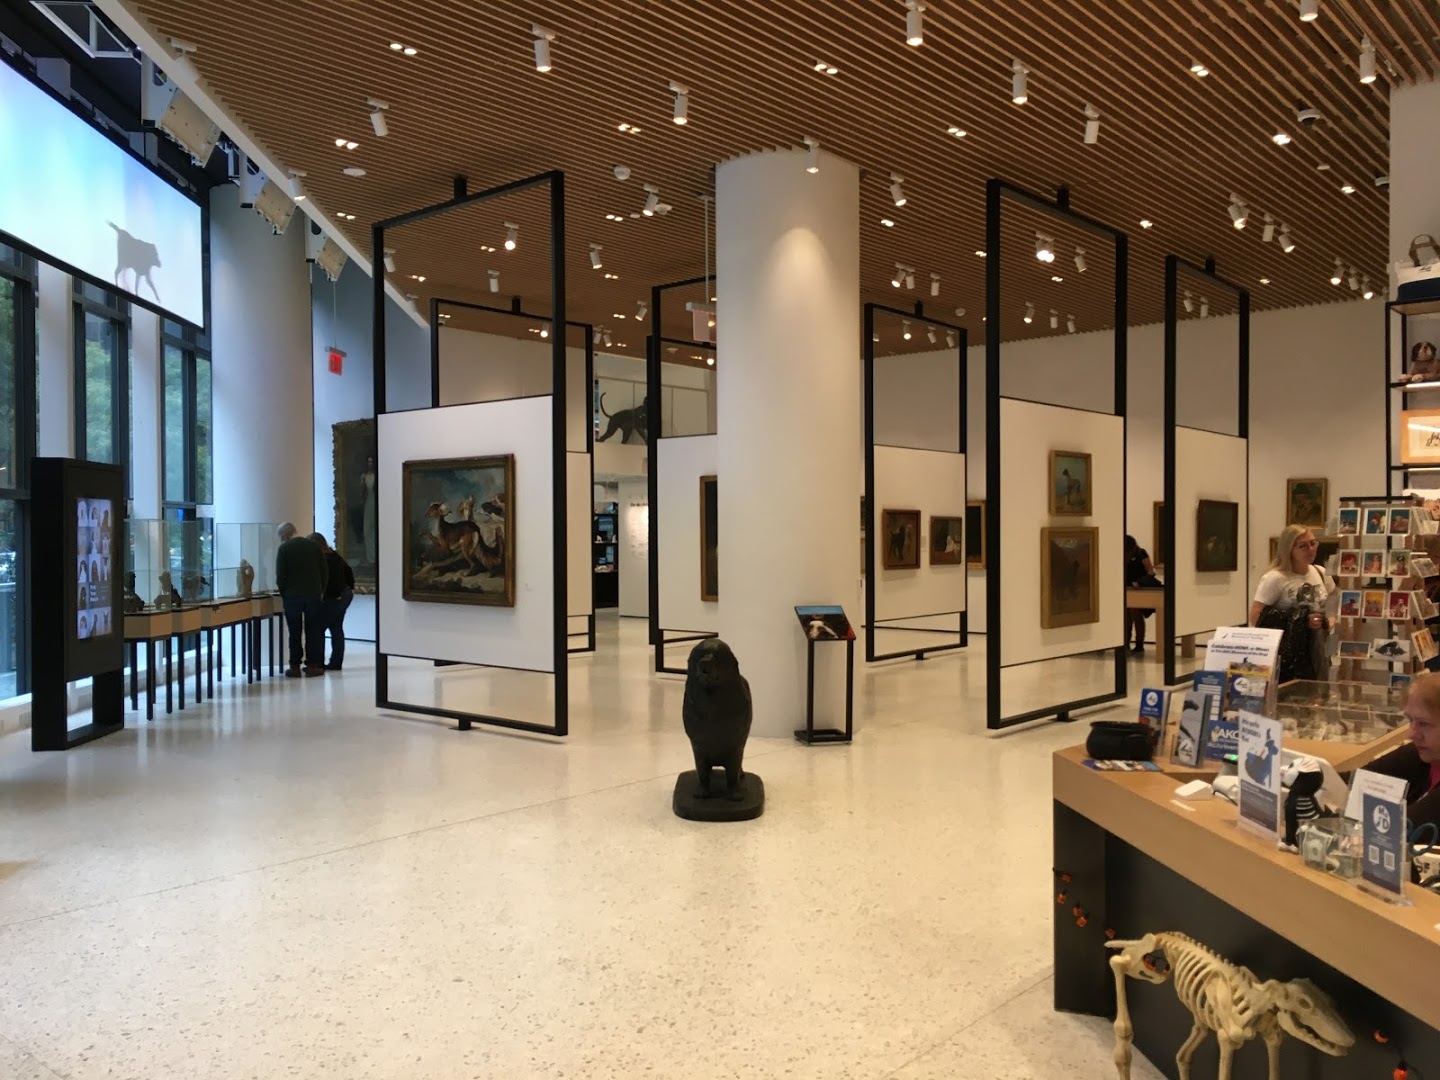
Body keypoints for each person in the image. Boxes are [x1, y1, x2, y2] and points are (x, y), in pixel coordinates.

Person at [1249, 523, 1332, 682]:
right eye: (1303, 546)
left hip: (1317, 647)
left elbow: (1333, 598)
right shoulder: (1276, 578)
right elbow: (1256, 616)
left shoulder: (1319, 572)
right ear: (1289, 549)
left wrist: (1331, 618)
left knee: (1318, 689)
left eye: (1313, 543)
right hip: (1289, 654)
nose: (1311, 549)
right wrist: (1302, 619)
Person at [1361, 672, 1440, 831]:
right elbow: (1355, 780)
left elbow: (1399, 828)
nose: (1412, 734)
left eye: (1424, 724)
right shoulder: (1420, 753)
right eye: (1410, 720)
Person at [275, 522, 328, 677]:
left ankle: (295, 666)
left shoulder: (284, 549)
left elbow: (280, 575)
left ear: (284, 535)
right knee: (313, 631)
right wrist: (321, 591)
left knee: (294, 632)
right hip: (313, 595)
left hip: (292, 597)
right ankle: (312, 665)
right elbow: (324, 571)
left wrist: (284, 593)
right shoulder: (314, 546)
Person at [309, 532, 355, 671]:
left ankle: (318, 662)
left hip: (332, 598)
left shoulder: (323, 560)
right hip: (343, 596)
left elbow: (326, 583)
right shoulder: (336, 556)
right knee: (336, 629)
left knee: (319, 628)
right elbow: (349, 574)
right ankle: (336, 662)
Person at [1123, 534, 1160, 656]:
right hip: (1127, 589)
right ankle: (1126, 643)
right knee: (1126, 617)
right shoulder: (1123, 554)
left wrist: (1139, 582)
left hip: (1140, 589)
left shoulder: (1141, 553)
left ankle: (1139, 644)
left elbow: (1150, 571)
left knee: (1136, 615)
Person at [361, 455, 378, 566]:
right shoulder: (364, 476)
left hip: (376, 501)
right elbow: (362, 493)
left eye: (372, 462)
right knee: (367, 530)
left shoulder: (377, 475)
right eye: (368, 462)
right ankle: (371, 557)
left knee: (376, 528)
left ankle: (377, 555)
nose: (370, 464)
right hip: (369, 503)